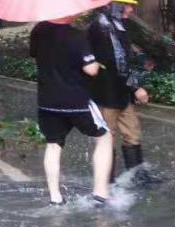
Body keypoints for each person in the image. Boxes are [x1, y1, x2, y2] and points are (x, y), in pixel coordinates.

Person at [29, 14, 114, 206]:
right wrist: (95, 62)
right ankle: (100, 193)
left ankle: (55, 197)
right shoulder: (77, 36)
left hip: (47, 101)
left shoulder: (38, 31)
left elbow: (35, 54)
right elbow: (90, 69)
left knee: (53, 145)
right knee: (104, 137)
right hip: (77, 101)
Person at [87, 0, 150, 176]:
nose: (131, 9)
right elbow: (117, 61)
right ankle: (107, 183)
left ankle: (136, 177)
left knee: (132, 134)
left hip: (120, 92)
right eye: (127, 5)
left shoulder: (116, 25)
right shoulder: (104, 26)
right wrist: (136, 87)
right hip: (106, 93)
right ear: (115, 4)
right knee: (106, 138)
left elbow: (123, 57)